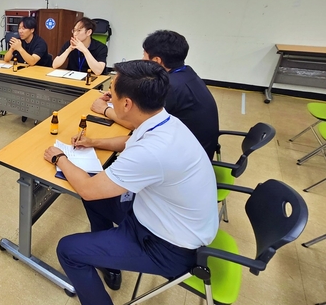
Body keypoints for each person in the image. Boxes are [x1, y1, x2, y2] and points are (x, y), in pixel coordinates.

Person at [45, 60, 218, 305]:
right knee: (96, 201)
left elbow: (88, 188)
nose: (108, 98)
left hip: (168, 247)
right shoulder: (163, 120)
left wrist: (59, 158)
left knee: (68, 249)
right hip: (160, 217)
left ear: (126, 104)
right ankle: (110, 264)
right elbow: (130, 143)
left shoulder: (153, 151)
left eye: (111, 93)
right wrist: (93, 142)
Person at [91, 30, 219, 159]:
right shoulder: (186, 74)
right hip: (197, 149)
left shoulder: (169, 87)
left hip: (183, 156)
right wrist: (119, 97)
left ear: (157, 61)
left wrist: (104, 109)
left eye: (144, 55)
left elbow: (135, 121)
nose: (142, 59)